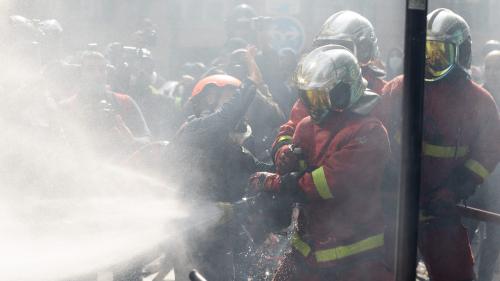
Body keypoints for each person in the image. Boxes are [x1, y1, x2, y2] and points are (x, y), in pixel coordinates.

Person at [374, 9, 500, 281]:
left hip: (441, 211)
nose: (431, 61)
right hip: (396, 210)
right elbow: (376, 136)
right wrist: (388, 184)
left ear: (461, 53)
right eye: (428, 52)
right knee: (384, 273)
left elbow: (488, 152)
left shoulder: (479, 102)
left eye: (440, 53)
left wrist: (458, 186)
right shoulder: (399, 89)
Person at [250, 45, 393, 281]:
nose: (312, 105)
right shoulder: (307, 125)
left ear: (341, 93)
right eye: (308, 96)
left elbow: (323, 184)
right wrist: (285, 156)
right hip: (306, 252)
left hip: (354, 259)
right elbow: (291, 167)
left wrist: (274, 183)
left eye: (318, 96)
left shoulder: (370, 133)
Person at [58, 51, 151, 160]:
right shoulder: (66, 107)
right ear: (81, 73)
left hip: (121, 171)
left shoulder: (125, 102)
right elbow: (55, 148)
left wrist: (131, 140)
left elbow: (148, 140)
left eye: (102, 69)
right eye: (90, 69)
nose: (98, 74)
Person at [463, 50, 500, 281]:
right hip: (474, 179)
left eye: (498, 68)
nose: (494, 72)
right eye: (490, 67)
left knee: (495, 236)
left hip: (498, 181)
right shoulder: (476, 96)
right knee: (465, 230)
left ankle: (485, 276)